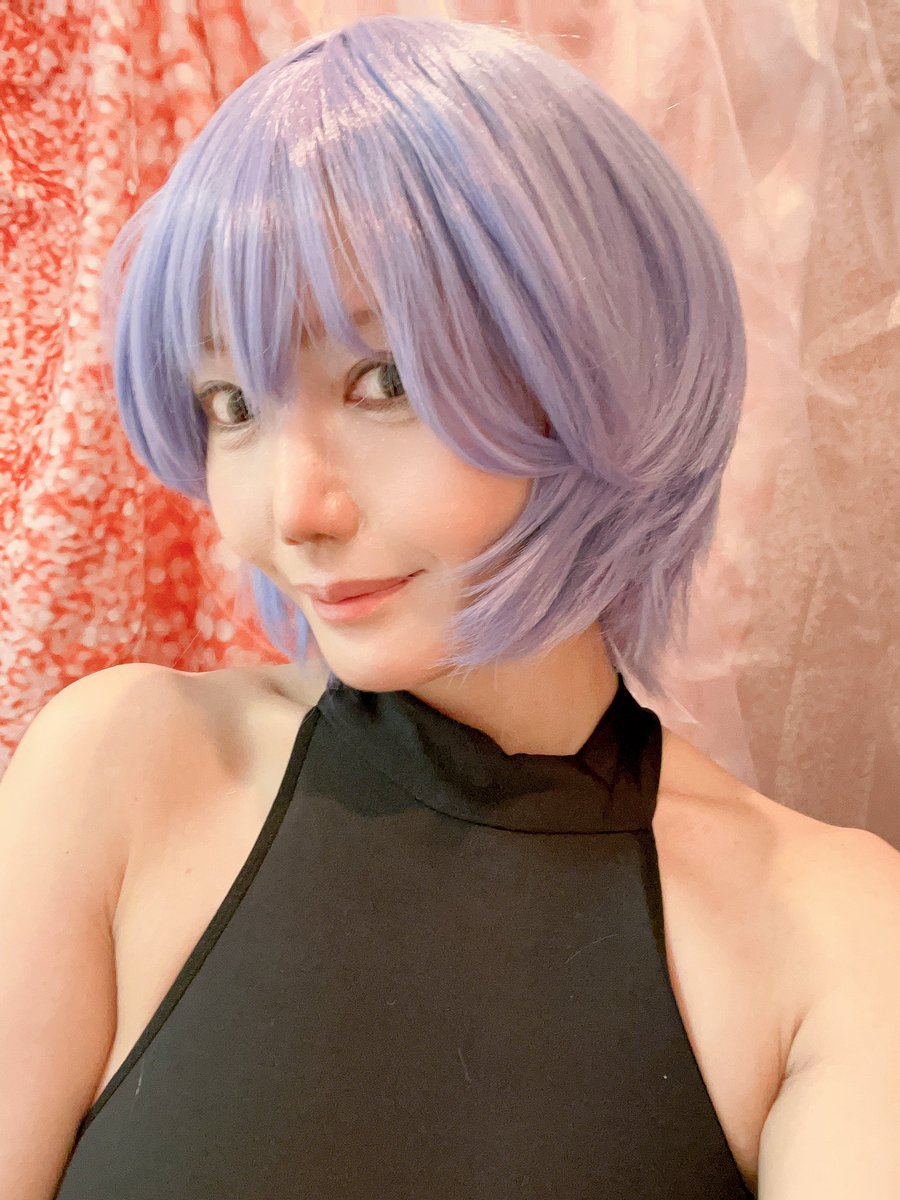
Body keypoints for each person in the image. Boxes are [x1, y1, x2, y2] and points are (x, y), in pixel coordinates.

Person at [1, 14, 897, 1200]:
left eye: (384, 381)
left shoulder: (834, 932)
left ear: (600, 366)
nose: (293, 510)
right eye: (232, 404)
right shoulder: (120, 770)